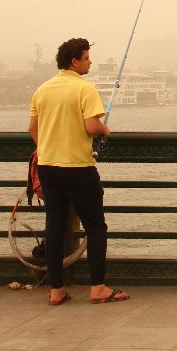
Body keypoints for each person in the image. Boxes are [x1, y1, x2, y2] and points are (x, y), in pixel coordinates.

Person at [28, 38, 129, 305]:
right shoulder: (85, 89)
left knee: (55, 226)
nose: (90, 62)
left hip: (48, 168)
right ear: (74, 62)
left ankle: (56, 290)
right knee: (96, 226)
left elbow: (32, 129)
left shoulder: (43, 89)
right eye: (87, 58)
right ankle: (98, 288)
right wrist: (105, 129)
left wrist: (48, 148)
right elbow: (91, 127)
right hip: (78, 168)